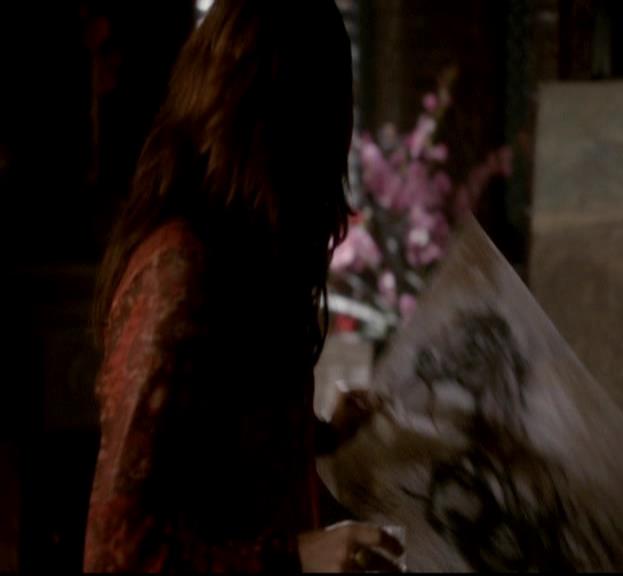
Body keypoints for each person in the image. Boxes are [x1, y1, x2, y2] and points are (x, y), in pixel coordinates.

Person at [84, 0, 403, 572]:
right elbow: (115, 555)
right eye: (325, 113)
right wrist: (299, 557)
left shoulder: (242, 259)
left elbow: (216, 441)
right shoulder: (178, 270)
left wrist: (324, 437)